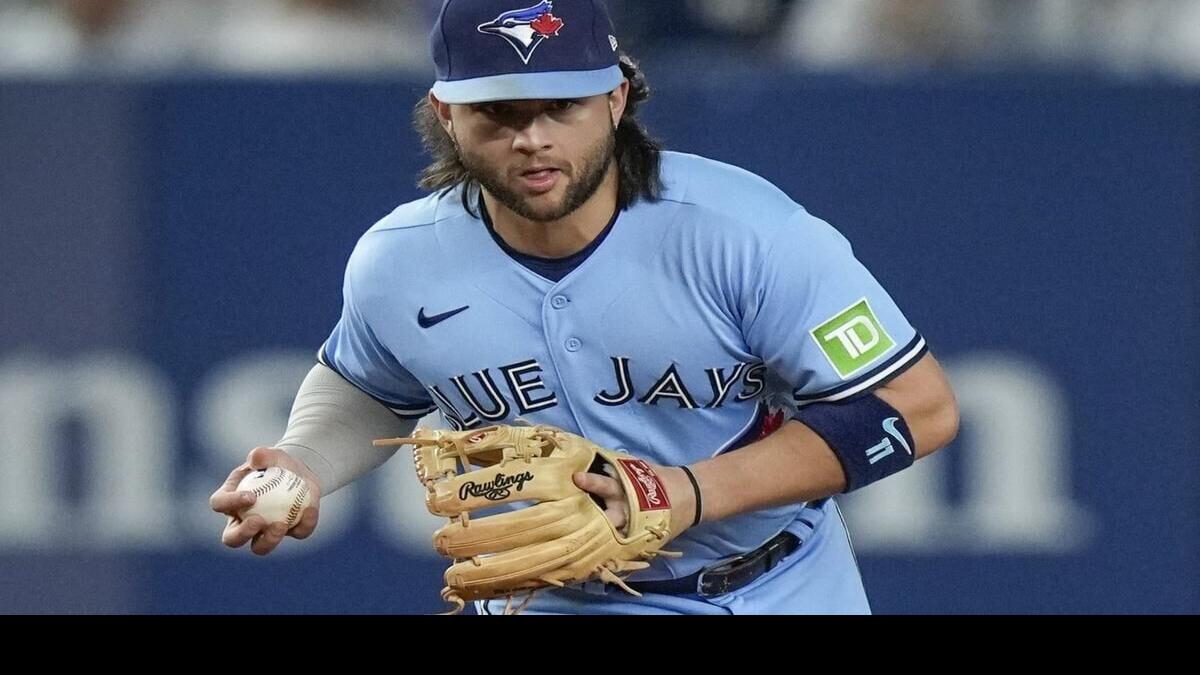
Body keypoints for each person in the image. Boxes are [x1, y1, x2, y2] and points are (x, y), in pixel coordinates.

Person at [209, 0, 959, 615]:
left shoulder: (745, 233)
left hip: (774, 585)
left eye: (561, 104)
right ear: (445, 114)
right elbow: (368, 383)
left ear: (616, 97)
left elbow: (917, 408)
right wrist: (303, 459)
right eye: (499, 112)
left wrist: (684, 492)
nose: (533, 138)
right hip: (552, 597)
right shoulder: (400, 261)